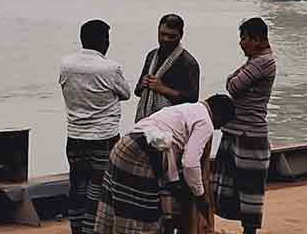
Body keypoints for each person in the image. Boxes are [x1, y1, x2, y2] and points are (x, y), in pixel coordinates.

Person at [95, 96, 236, 234]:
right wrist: (200, 195)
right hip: (139, 156)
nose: (218, 127)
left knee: (122, 205)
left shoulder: (190, 108)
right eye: (222, 124)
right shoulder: (206, 122)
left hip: (124, 147)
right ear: (219, 117)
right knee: (142, 211)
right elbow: (190, 163)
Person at [59, 20, 131, 234]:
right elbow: (126, 93)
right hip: (104, 137)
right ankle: (93, 230)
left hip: (75, 136)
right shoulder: (111, 68)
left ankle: (77, 229)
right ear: (104, 41)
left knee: (77, 187)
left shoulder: (66, 64)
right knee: (98, 190)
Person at [213, 18, 277, 234]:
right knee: (230, 185)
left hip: (249, 133)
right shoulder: (256, 60)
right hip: (236, 130)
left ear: (258, 39)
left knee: (250, 187)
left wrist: (233, 76)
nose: (241, 43)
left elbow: (233, 85)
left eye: (244, 38)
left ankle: (249, 231)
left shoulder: (263, 62)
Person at [134, 14, 201, 122]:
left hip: (172, 123)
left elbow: (192, 100)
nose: (166, 39)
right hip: (146, 120)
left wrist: (162, 89)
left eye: (172, 36)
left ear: (181, 35)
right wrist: (144, 84)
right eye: (163, 34)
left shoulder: (188, 62)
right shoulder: (151, 56)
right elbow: (137, 91)